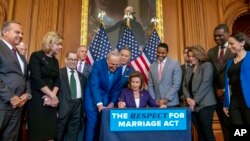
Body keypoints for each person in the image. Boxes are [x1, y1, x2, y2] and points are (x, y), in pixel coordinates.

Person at [27, 31, 63, 141]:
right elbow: (37, 79)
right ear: (50, 43)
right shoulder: (36, 56)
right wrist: (53, 96)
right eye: (58, 44)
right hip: (38, 99)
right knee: (39, 134)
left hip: (51, 101)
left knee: (51, 133)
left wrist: (53, 97)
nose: (61, 47)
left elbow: (57, 80)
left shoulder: (55, 60)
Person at [0, 21, 31, 141]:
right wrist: (11, 97)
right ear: (5, 32)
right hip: (2, 104)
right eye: (17, 32)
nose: (21, 35)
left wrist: (27, 94)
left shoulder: (20, 55)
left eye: (22, 33)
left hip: (18, 106)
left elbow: (26, 78)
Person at [84, 50, 122, 141]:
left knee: (103, 126)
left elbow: (117, 88)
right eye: (112, 64)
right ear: (107, 60)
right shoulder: (98, 65)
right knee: (92, 124)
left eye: (117, 65)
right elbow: (94, 85)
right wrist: (99, 104)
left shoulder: (119, 68)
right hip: (93, 99)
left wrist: (112, 102)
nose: (115, 67)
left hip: (107, 99)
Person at [182, 45, 217, 141]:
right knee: (200, 132)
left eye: (193, 56)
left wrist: (194, 101)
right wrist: (188, 98)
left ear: (199, 55)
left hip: (205, 104)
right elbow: (184, 85)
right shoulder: (189, 68)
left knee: (207, 132)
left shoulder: (207, 65)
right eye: (189, 56)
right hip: (192, 105)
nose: (191, 58)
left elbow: (205, 84)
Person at [207, 24, 234, 141]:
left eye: (220, 36)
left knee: (237, 126)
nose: (217, 38)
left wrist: (226, 89)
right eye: (215, 36)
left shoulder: (234, 50)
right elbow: (210, 74)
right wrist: (216, 90)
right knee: (224, 127)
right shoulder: (211, 52)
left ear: (228, 34)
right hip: (217, 97)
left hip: (233, 96)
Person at [57, 51, 87, 141]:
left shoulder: (83, 77)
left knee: (73, 135)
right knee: (59, 134)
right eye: (71, 59)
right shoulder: (58, 73)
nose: (73, 61)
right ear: (65, 60)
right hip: (62, 107)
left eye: (75, 60)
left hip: (78, 108)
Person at [223, 32, 250, 125]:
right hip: (234, 102)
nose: (229, 47)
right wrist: (226, 103)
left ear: (242, 43)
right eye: (228, 44)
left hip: (248, 100)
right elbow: (227, 85)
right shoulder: (230, 62)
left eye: (231, 43)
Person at [148, 42, 182, 107]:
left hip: (171, 103)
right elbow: (150, 85)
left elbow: (176, 84)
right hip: (157, 103)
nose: (160, 54)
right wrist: (154, 100)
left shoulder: (174, 64)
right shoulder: (152, 66)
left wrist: (166, 99)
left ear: (167, 52)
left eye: (163, 53)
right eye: (158, 52)